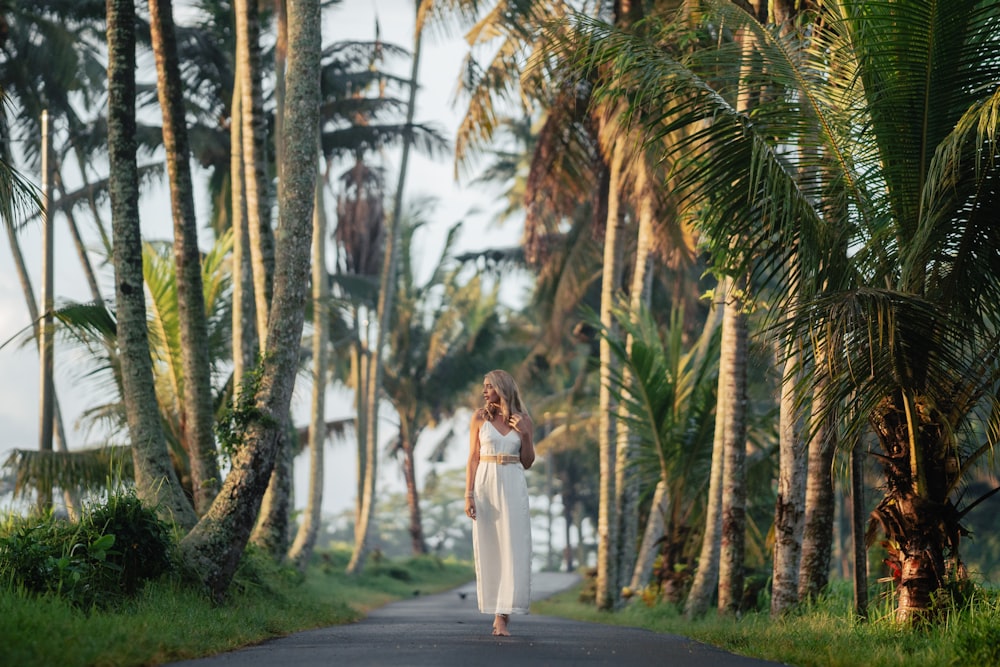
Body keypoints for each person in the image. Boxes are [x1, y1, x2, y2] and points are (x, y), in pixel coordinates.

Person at [464, 369, 535, 637]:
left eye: (489, 386)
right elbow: (472, 457)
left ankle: (503, 617)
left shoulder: (524, 420)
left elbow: (528, 461)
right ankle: (495, 610)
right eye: (483, 386)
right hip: (485, 482)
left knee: (513, 548)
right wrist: (468, 494)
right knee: (491, 546)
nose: (484, 391)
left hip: (513, 482)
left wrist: (525, 436)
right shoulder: (479, 418)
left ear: (503, 389)